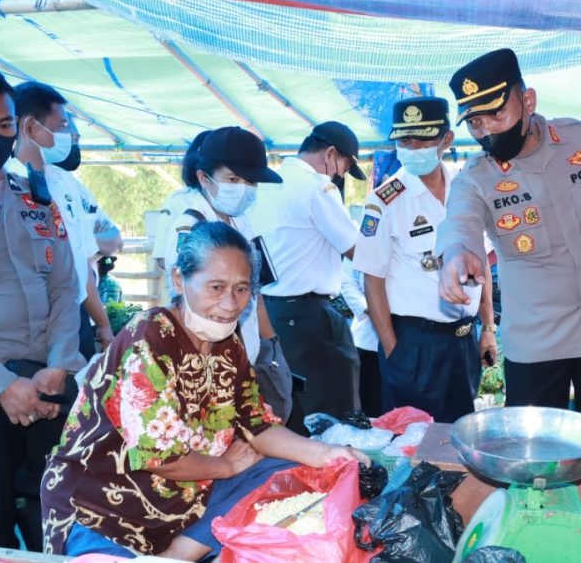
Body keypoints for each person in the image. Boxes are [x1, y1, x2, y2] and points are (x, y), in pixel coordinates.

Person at [41, 221, 368, 560]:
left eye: (242, 289)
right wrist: (225, 467)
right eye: (216, 287)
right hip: (104, 505)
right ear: (180, 280)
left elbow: (255, 423)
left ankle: (179, 552)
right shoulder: (150, 338)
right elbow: (164, 459)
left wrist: (324, 454)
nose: (230, 303)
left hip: (184, 498)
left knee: (287, 471)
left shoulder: (228, 343)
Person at [436, 49, 581, 426]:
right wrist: (456, 254)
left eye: (496, 113)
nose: (486, 129)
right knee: (535, 459)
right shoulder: (475, 178)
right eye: (475, 121)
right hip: (536, 345)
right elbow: (460, 222)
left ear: (527, 100)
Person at [0, 63, 86, 550]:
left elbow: (66, 285)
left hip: (48, 383)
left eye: (3, 125)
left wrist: (62, 362)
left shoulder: (36, 198)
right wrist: (0, 386)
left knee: (57, 513)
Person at [354, 97, 496, 422]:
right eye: (405, 140)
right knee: (412, 444)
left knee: (458, 439)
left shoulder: (468, 189)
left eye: (423, 138)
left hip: (462, 344)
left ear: (446, 139)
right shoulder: (385, 201)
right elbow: (371, 280)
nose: (413, 146)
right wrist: (393, 350)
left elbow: (481, 262)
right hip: (414, 346)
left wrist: (488, 327)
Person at [160, 126, 294, 423]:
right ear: (204, 178)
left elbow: (256, 293)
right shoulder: (191, 226)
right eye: (233, 179)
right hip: (210, 362)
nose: (244, 188)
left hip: (246, 357)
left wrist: (271, 348)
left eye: (251, 181)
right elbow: (183, 306)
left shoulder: (242, 223)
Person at [248, 121, 367, 434]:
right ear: (330, 154)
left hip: (267, 311)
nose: (339, 175)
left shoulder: (266, 183)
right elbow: (358, 249)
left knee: (289, 405)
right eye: (342, 166)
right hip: (308, 316)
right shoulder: (316, 187)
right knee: (335, 417)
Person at [10, 81, 123, 360]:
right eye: (60, 127)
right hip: (25, 329)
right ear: (30, 127)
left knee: (75, 400)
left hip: (74, 323)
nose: (67, 136)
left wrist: (104, 325)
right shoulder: (2, 182)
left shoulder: (65, 183)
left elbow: (82, 264)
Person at [340, 253, 384, 417]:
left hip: (411, 335)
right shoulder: (362, 235)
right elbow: (346, 283)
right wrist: (373, 309)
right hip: (367, 340)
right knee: (372, 405)